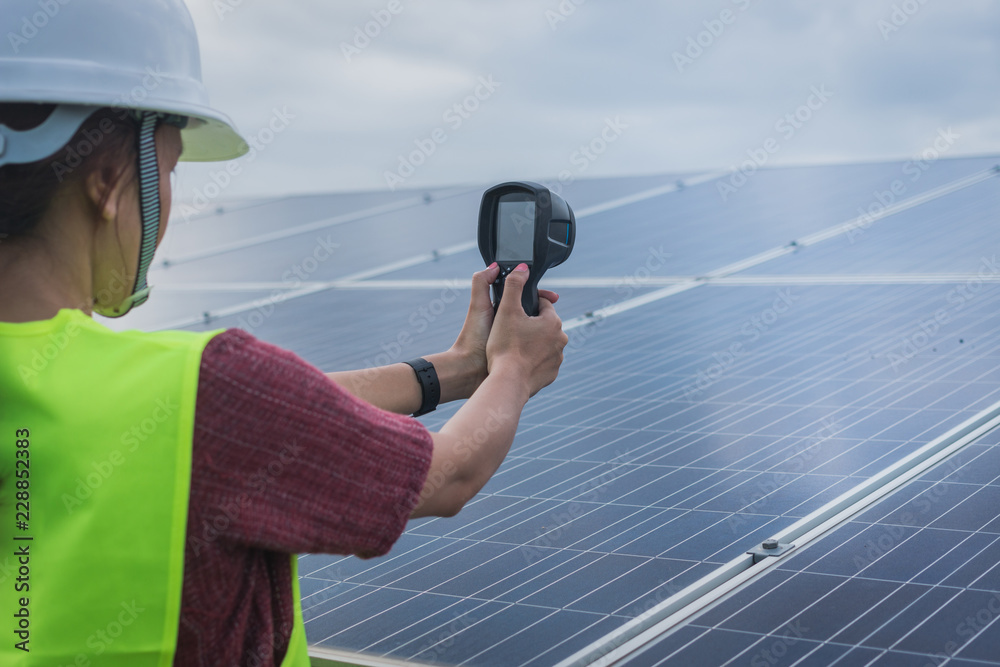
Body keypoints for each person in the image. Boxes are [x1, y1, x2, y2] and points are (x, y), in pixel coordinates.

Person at [0, 1, 568, 665]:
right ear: (106, 181)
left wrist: (453, 369)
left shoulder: (174, 394)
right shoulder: (209, 391)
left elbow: (256, 415)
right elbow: (449, 476)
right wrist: (515, 371)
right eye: (171, 167)